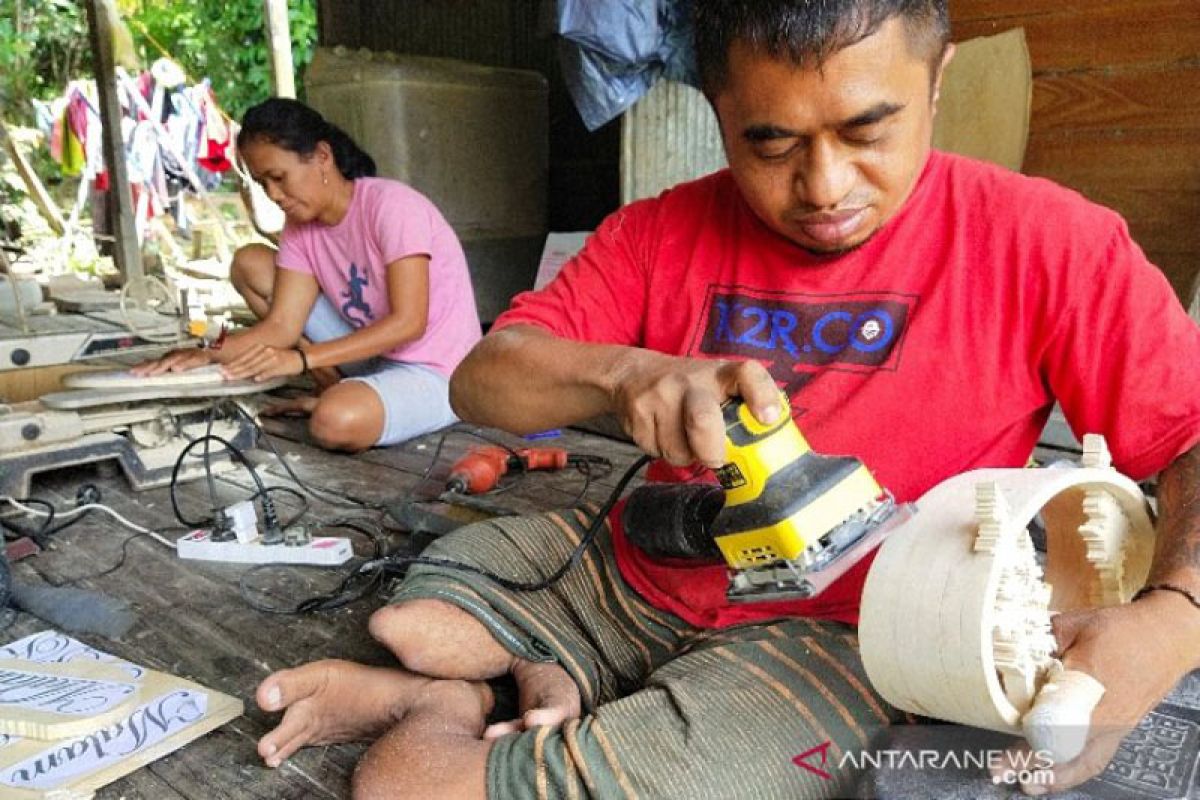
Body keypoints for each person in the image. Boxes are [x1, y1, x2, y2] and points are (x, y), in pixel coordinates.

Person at [250, 1, 1200, 798]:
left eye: (868, 130)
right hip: (649, 562)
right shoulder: (663, 228)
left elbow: (1190, 434)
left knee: (411, 788)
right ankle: (490, 689)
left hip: (853, 636)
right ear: (717, 107)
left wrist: (1173, 616)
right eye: (772, 142)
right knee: (418, 615)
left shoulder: (1051, 243)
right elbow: (483, 374)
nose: (824, 186)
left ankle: (490, 721)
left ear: (938, 79)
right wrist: (625, 375)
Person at [134, 98, 482, 451]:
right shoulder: (300, 227)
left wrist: (302, 359)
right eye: (262, 183)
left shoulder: (392, 207)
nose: (273, 194)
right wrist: (207, 353)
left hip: (438, 371)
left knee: (333, 423)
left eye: (278, 177)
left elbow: (409, 323)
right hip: (373, 354)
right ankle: (339, 388)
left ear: (322, 157)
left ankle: (358, 398)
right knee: (251, 263)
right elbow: (282, 326)